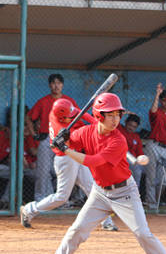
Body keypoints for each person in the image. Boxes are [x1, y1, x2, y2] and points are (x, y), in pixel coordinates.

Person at [45, 93, 166, 254]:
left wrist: (66, 149)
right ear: (99, 116)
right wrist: (63, 140)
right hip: (100, 193)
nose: (116, 119)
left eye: (118, 114)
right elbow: (65, 147)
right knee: (77, 230)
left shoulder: (118, 140)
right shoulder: (85, 132)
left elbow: (93, 161)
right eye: (110, 115)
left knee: (143, 233)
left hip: (124, 193)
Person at [20, 99, 118, 231]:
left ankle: (106, 221)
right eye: (68, 118)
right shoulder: (59, 129)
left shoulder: (64, 109)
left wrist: (100, 124)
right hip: (66, 159)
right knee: (61, 197)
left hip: (77, 156)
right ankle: (29, 209)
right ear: (61, 118)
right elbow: (77, 139)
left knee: (93, 188)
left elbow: (82, 114)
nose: (72, 118)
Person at [26, 74, 91, 201]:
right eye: (53, 83)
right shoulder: (43, 101)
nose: (56, 86)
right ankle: (40, 198)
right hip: (47, 138)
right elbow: (29, 118)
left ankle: (59, 199)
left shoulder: (69, 101)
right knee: (43, 171)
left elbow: (78, 117)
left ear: (62, 85)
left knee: (66, 170)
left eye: (59, 83)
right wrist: (34, 133)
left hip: (65, 140)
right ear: (50, 85)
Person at [118, 114, 145, 188]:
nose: (131, 128)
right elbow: (115, 121)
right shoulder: (120, 130)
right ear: (126, 122)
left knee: (145, 169)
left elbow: (140, 152)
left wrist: (142, 159)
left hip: (133, 161)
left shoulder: (136, 137)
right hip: (121, 158)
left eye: (134, 127)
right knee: (137, 169)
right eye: (130, 125)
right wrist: (122, 113)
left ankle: (135, 191)